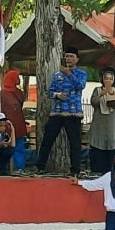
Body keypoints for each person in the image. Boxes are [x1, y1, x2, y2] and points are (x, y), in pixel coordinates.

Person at [36, 47, 86, 176]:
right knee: (47, 140)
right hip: (57, 112)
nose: (69, 59)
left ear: (77, 59)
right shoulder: (57, 75)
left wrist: (69, 74)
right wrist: (57, 95)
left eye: (71, 56)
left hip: (73, 113)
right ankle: (40, 166)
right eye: (67, 56)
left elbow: (80, 86)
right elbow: (49, 92)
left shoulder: (81, 74)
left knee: (74, 143)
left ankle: (75, 170)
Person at [88, 67, 115, 174]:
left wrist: (111, 94)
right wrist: (102, 94)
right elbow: (94, 102)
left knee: (111, 146)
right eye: (106, 78)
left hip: (111, 124)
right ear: (102, 79)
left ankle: (110, 171)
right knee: (98, 147)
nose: (108, 80)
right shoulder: (97, 90)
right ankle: (97, 170)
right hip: (99, 124)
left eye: (110, 78)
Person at [0, 69, 29, 171]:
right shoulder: (3, 93)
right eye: (17, 77)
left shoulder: (19, 92)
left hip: (18, 123)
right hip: (6, 124)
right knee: (6, 147)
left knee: (19, 147)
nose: (19, 79)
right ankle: (5, 168)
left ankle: (19, 168)